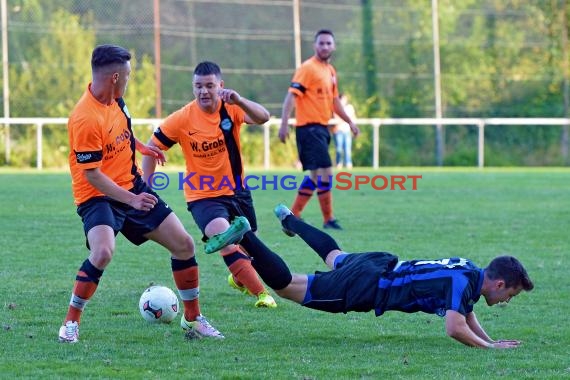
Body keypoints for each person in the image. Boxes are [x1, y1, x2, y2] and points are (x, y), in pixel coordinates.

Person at [60, 45, 224, 343]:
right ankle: (70, 323)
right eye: (128, 75)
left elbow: (119, 131)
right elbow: (92, 174)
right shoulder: (84, 118)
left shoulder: (116, 100)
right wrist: (132, 200)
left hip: (131, 184)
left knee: (185, 245)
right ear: (114, 76)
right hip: (97, 195)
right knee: (102, 252)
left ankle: (193, 320)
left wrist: (140, 146)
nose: (129, 79)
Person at [223, 203, 535, 348]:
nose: (507, 300)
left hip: (380, 263)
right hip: (369, 285)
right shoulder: (463, 283)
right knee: (287, 286)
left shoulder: (468, 270)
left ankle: (292, 221)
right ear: (499, 283)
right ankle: (246, 236)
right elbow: (454, 328)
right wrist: (490, 349)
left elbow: (466, 315)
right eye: (511, 294)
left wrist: (491, 340)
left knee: (335, 256)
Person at [142, 61, 277, 309]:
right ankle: (262, 294)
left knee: (251, 250)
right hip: (202, 196)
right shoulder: (182, 119)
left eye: (209, 86)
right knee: (224, 238)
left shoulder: (231, 108)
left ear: (220, 86)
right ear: (193, 88)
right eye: (198, 86)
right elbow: (150, 149)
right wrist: (146, 188)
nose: (204, 91)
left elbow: (263, 117)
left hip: (238, 192)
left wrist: (240, 100)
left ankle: (238, 278)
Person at [279, 29, 360, 230]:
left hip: (322, 128)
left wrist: (349, 121)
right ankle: (327, 219)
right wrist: (283, 123)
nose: (325, 46)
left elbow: (334, 101)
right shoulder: (308, 68)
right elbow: (292, 96)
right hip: (309, 128)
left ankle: (293, 216)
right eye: (321, 43)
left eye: (328, 43)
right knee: (325, 171)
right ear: (315, 46)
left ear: (333, 46)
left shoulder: (330, 71)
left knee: (316, 176)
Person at [332, 93, 356, 169]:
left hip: (346, 131)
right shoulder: (335, 108)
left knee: (347, 148)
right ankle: (339, 163)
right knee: (339, 148)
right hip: (338, 130)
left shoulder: (349, 108)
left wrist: (353, 127)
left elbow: (353, 118)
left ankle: (348, 163)